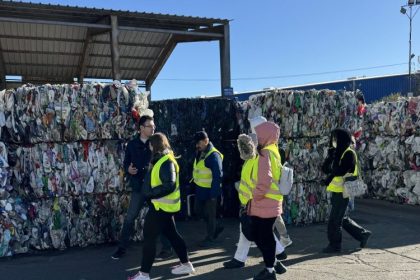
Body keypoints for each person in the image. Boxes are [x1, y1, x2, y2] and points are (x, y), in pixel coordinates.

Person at [128, 133, 195, 280]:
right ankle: (186, 264)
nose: (149, 148)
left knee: (149, 238)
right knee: (172, 235)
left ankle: (144, 274)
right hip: (164, 207)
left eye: (150, 145)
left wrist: (151, 194)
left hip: (160, 207)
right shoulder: (163, 160)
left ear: (155, 145)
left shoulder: (166, 161)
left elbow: (169, 185)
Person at [222, 133, 287, 275]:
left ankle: (270, 264)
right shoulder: (255, 158)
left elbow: (259, 183)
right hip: (253, 203)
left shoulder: (259, 159)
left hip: (254, 204)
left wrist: (249, 202)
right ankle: (276, 259)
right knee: (259, 234)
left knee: (257, 234)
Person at [112, 116, 172, 260]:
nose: (153, 128)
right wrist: (128, 169)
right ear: (141, 128)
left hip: (154, 189)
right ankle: (122, 248)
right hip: (139, 188)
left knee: (162, 217)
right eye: (149, 126)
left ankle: (167, 248)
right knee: (130, 218)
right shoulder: (132, 145)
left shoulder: (157, 143)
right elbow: (126, 162)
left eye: (153, 126)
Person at [321, 128, 372, 253]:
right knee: (340, 218)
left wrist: (334, 160)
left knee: (334, 220)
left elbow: (340, 171)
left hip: (344, 192)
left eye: (336, 139)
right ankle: (362, 234)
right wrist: (329, 157)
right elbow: (325, 169)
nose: (333, 141)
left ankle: (335, 245)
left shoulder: (348, 153)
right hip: (337, 191)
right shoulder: (337, 152)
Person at [248, 120, 284, 280]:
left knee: (262, 236)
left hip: (263, 202)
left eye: (257, 134)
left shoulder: (264, 153)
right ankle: (272, 265)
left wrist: (255, 196)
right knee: (263, 235)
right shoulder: (273, 150)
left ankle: (270, 270)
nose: (255, 138)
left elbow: (264, 180)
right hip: (272, 202)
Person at [192, 131, 224, 247]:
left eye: (199, 143)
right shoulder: (201, 152)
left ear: (206, 141)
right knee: (198, 211)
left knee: (210, 215)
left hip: (210, 192)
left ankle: (211, 238)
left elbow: (217, 176)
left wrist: (214, 195)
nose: (197, 146)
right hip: (201, 190)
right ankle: (216, 227)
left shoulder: (213, 155)